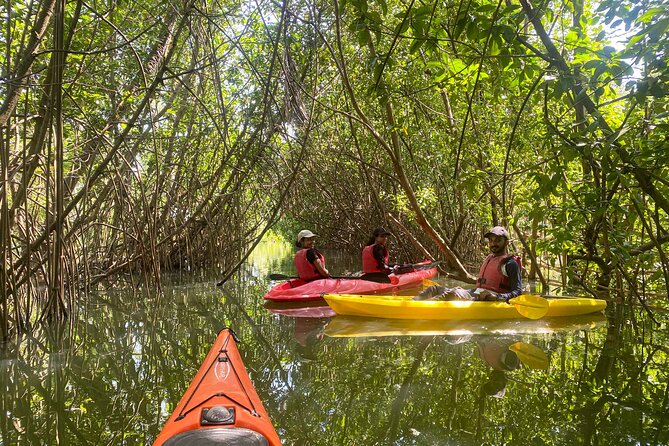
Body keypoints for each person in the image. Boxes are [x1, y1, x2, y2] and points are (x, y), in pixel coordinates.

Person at [414, 225, 522, 301]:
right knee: (434, 289)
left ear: (506, 243)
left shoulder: (510, 264)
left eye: (498, 240)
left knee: (452, 294)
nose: (493, 243)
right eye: (491, 240)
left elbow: (517, 292)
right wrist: (467, 291)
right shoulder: (489, 258)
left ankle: (421, 310)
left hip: (489, 298)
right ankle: (412, 304)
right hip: (476, 293)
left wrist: (498, 297)